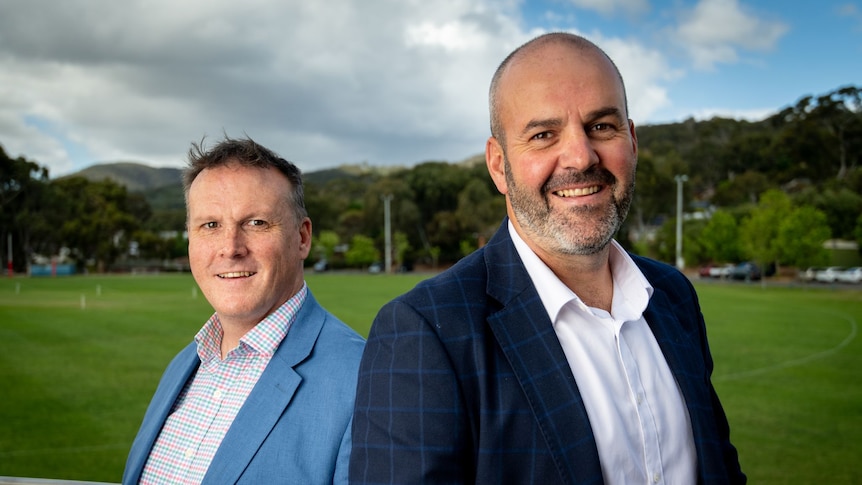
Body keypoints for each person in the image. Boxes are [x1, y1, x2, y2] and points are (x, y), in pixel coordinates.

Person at [350, 33, 745, 484]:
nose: (580, 156)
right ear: (499, 165)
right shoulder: (425, 333)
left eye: (601, 126)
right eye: (543, 135)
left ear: (631, 141)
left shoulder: (673, 296)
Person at [123, 136, 365, 485]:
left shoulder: (364, 379)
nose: (230, 248)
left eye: (256, 223)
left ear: (302, 238)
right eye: (210, 225)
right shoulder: (183, 366)